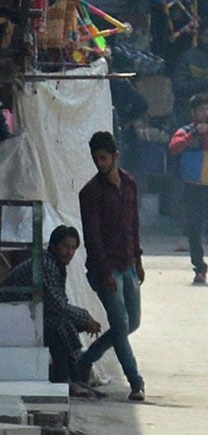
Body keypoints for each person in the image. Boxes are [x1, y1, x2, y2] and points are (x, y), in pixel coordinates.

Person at [77, 130, 148, 402]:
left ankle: (87, 358)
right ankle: (136, 381)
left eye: (104, 158)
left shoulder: (129, 183)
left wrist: (138, 260)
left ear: (116, 156)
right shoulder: (90, 192)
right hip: (105, 269)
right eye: (96, 159)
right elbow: (92, 238)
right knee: (120, 325)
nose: (100, 164)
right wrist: (105, 273)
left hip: (128, 263)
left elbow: (134, 224)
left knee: (132, 322)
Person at [0, 226, 102, 393]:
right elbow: (57, 304)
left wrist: (82, 320)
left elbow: (59, 302)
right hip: (14, 311)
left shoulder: (57, 264)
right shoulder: (47, 265)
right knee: (57, 324)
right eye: (65, 246)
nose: (69, 252)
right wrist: (86, 318)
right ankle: (64, 379)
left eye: (73, 248)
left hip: (32, 310)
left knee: (65, 321)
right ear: (53, 245)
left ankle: (75, 378)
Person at [168, 96, 208, 286]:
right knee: (194, 229)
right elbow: (174, 148)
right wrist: (195, 134)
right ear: (193, 112)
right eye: (201, 109)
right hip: (193, 187)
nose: (205, 113)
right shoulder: (186, 131)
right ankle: (199, 268)